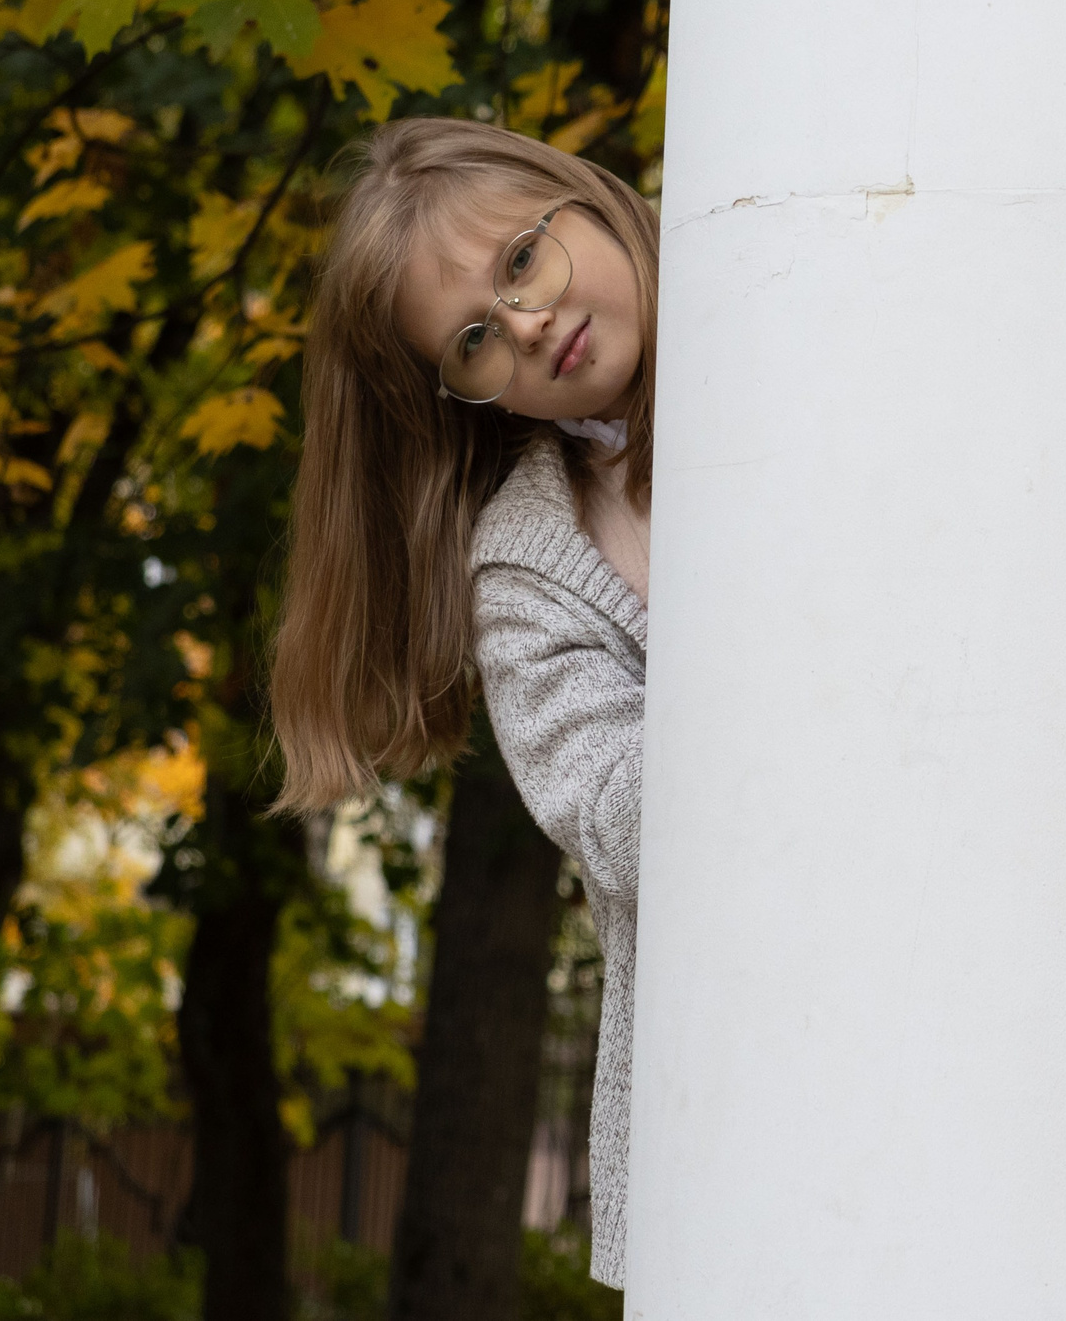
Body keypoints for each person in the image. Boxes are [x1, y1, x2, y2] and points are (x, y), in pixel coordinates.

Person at [269, 118, 656, 1291]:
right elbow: (621, 823)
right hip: (747, 1078)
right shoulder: (530, 561)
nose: (527, 324)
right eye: (477, 339)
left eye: (523, 259)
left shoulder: (817, 295)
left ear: (581, 197)